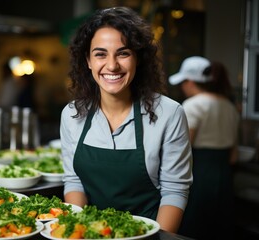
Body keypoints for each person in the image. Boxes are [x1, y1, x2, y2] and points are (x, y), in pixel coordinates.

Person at [60, 7, 193, 233]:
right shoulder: (72, 114)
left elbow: (174, 191)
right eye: (100, 54)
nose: (112, 66)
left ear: (138, 59)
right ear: (88, 61)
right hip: (92, 233)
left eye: (123, 53)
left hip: (148, 233)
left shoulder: (170, 114)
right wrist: (75, 232)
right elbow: (74, 181)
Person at [169, 56, 240, 239]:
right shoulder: (229, 106)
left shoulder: (192, 105)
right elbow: (233, 155)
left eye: (182, 83)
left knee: (194, 227)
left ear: (190, 82)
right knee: (220, 228)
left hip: (198, 173)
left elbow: (183, 148)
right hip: (224, 174)